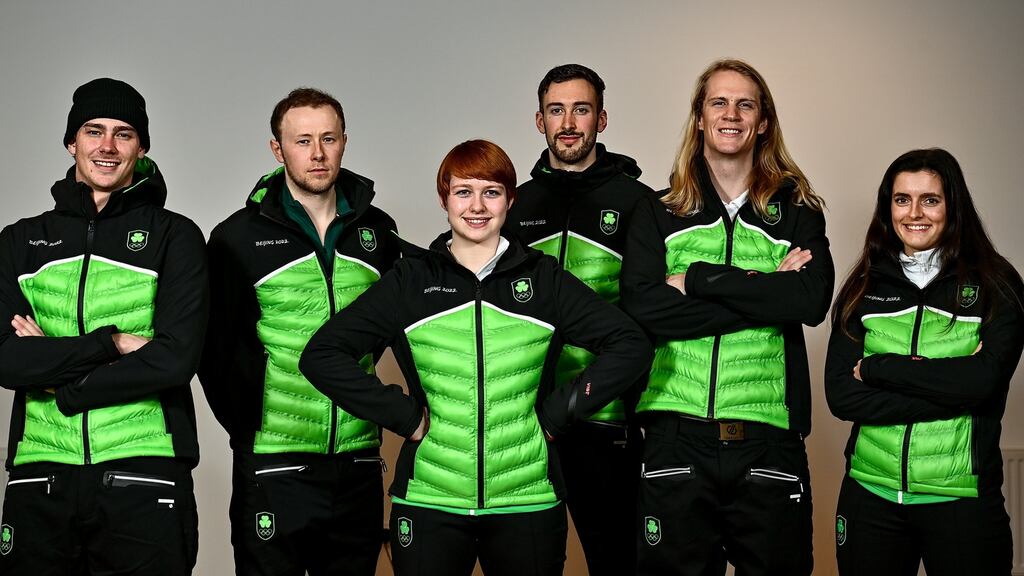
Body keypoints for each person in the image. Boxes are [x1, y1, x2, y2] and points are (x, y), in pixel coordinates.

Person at [299, 139, 653, 576]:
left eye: (491, 191)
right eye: (463, 191)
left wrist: (559, 413)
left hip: (527, 501)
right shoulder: (410, 280)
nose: (477, 206)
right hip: (430, 502)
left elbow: (630, 344)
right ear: (444, 198)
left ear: (510, 199)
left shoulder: (544, 280)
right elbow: (322, 354)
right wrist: (402, 415)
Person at [621, 58, 833, 575]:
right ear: (699, 117)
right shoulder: (658, 210)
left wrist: (697, 280)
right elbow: (644, 307)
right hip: (675, 431)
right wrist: (766, 295)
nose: (731, 114)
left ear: (763, 121)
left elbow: (809, 301)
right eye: (718, 102)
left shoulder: (799, 210)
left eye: (745, 104)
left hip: (768, 435)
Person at [0, 78, 208, 575]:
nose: (107, 146)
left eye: (124, 133)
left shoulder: (175, 236)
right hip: (40, 477)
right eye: (94, 131)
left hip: (146, 473)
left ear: (141, 148)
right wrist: (111, 343)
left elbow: (176, 359)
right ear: (72, 142)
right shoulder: (19, 242)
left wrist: (60, 383)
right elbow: (8, 359)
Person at [198, 87, 400, 575]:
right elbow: (215, 350)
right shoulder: (236, 238)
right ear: (277, 149)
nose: (317, 153)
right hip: (273, 462)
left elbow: (408, 331)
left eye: (328, 138)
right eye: (302, 140)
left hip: (357, 461)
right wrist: (250, 427)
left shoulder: (379, 233)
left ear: (345, 142)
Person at [825, 148, 1023, 576]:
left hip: (961, 501)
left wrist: (880, 369)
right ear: (887, 207)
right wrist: (957, 387)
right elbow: (842, 397)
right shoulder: (862, 287)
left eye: (930, 199)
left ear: (953, 205)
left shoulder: (997, 285)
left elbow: (984, 384)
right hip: (869, 496)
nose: (914, 213)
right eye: (901, 199)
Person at [506, 63, 654, 575]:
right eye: (556, 110)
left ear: (602, 119)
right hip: (527, 420)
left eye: (581, 109)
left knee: (617, 563)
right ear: (539, 120)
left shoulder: (639, 204)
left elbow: (655, 311)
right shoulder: (514, 203)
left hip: (605, 421)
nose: (568, 122)